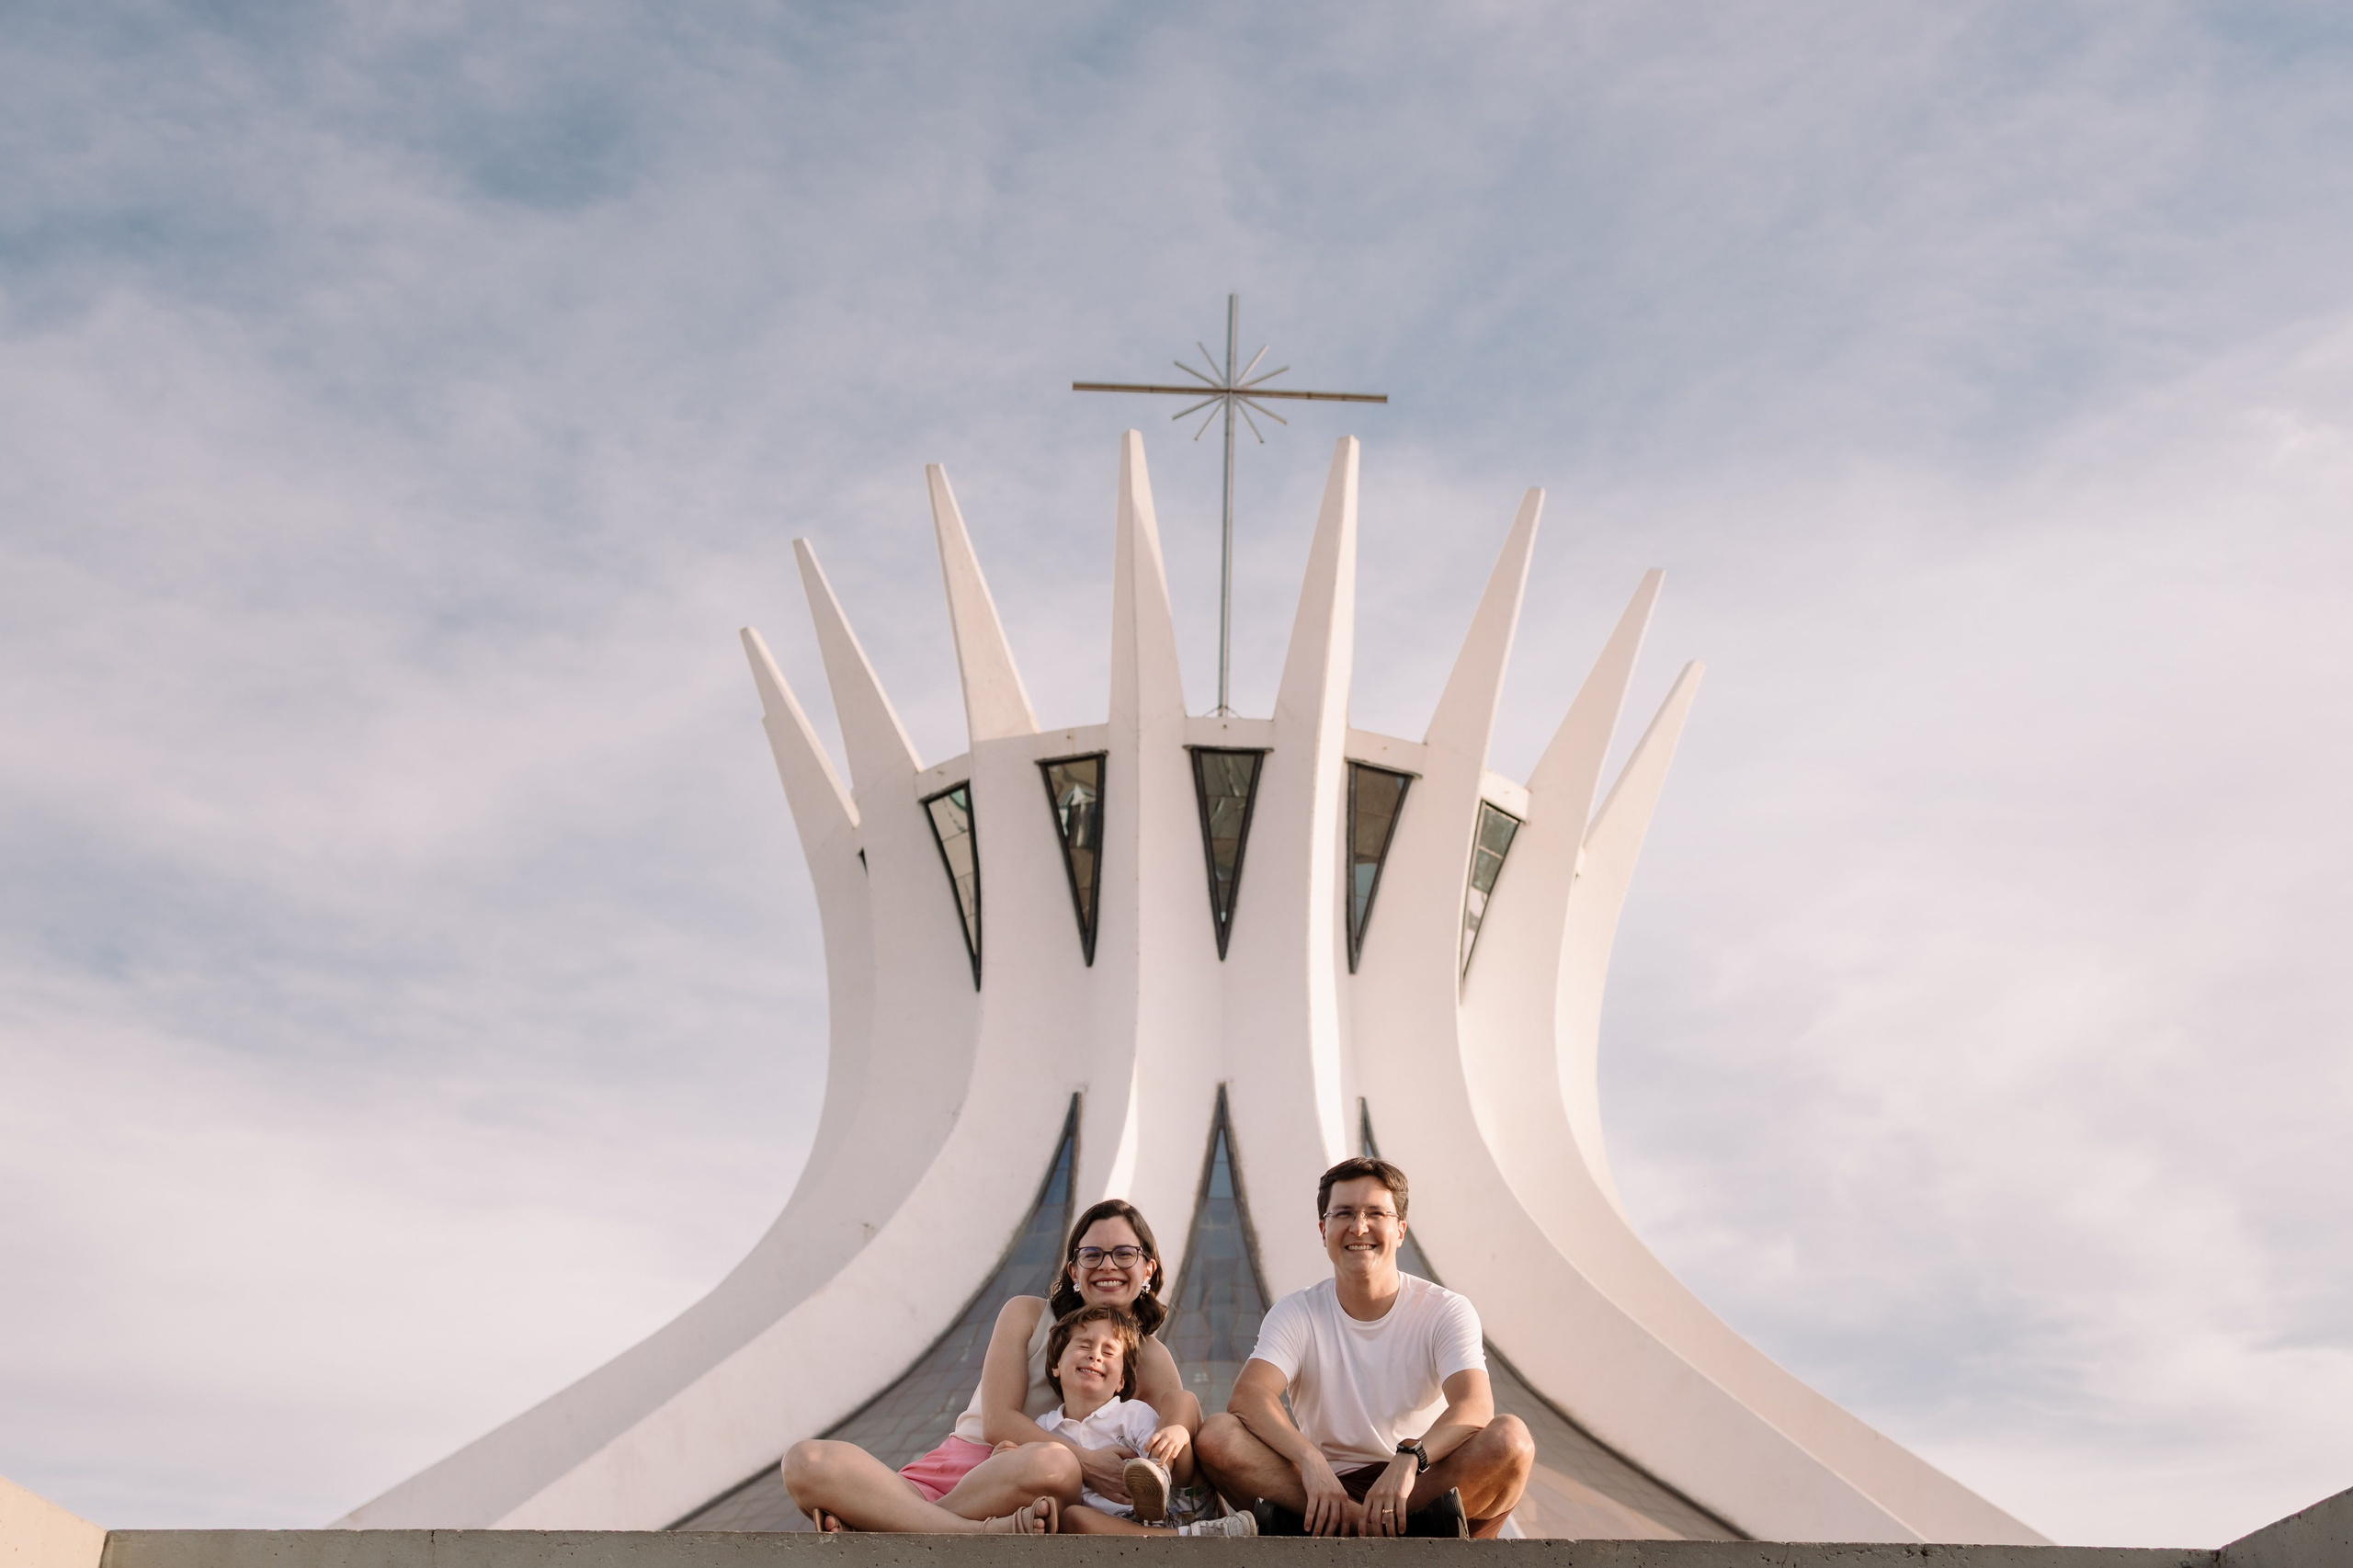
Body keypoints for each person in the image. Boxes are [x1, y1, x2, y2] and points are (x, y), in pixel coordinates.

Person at [781, 1199, 1203, 1534]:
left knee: (1054, 1465)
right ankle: (959, 1530)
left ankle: (887, 1521)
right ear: (1074, 1270)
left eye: (1124, 1254)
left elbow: (1174, 1455)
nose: (1107, 1266)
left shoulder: (1149, 1357)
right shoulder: (1026, 1314)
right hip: (956, 1472)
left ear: (1148, 1268)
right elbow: (998, 1421)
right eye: (1092, 1255)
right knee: (805, 1461)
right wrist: (1088, 1463)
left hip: (1027, 1483)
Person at [1195, 1156, 1534, 1539]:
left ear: (1401, 1229)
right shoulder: (1297, 1311)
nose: (1359, 1227)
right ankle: (1382, 1529)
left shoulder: (1444, 1309)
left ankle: (1358, 1528)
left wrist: (1411, 1458)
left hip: (1418, 1486)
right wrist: (1310, 1459)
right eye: (1343, 1213)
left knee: (1512, 1440)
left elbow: (1474, 1407)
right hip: (1324, 1490)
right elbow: (1249, 1395)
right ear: (1323, 1229)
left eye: (1376, 1213)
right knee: (1217, 1435)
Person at [1031, 1302, 1254, 1538]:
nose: (1094, 1355)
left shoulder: (1132, 1413)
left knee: (1181, 1399)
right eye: (1084, 1345)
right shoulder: (1045, 1427)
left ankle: (1161, 1476)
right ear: (1056, 1364)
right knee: (1073, 1517)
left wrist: (1177, 1433)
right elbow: (1027, 1462)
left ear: (1121, 1381)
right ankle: (1184, 1537)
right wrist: (1005, 1452)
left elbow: (1161, 1445)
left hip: (1176, 1505)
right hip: (1121, 1526)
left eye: (1108, 1353)